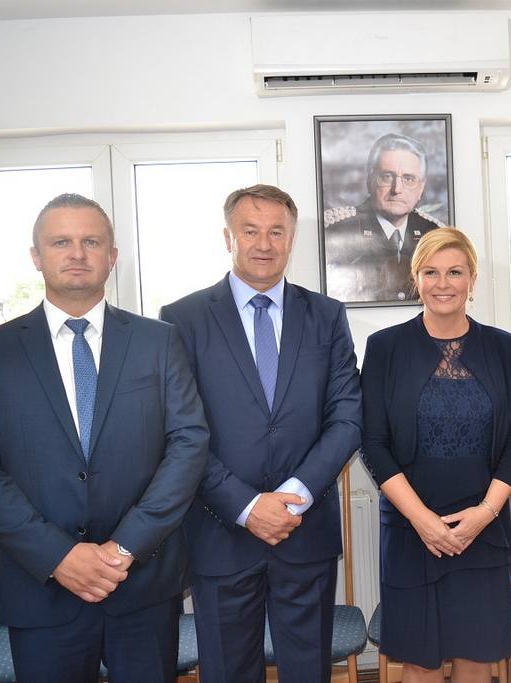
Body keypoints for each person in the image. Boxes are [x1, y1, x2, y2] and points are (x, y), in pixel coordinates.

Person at [0, 193, 209, 683]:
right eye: (61, 242)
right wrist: (60, 556)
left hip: (142, 583)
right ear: (36, 256)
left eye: (91, 241)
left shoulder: (158, 341)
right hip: (43, 588)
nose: (76, 253)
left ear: (112, 256)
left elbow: (188, 444)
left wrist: (124, 548)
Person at [159, 184, 363, 683]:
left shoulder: (327, 315)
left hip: (303, 530)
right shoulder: (181, 319)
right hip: (221, 531)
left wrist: (295, 496)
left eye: (277, 232)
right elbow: (181, 429)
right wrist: (248, 506)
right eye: (250, 231)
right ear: (227, 237)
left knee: (309, 671)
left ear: (292, 239)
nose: (264, 244)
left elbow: (347, 416)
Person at [361, 227, 511, 682]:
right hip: (410, 530)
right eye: (431, 272)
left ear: (472, 279)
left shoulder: (504, 347)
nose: (443, 283)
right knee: (421, 662)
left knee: (477, 656)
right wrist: (422, 520)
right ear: (415, 278)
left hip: (483, 529)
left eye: (455, 272)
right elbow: (373, 443)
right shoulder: (384, 347)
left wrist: (485, 514)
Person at [325, 133, 444, 303]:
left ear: (421, 188)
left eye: (409, 179)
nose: (397, 189)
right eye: (387, 177)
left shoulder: (434, 233)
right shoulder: (338, 229)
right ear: (369, 181)